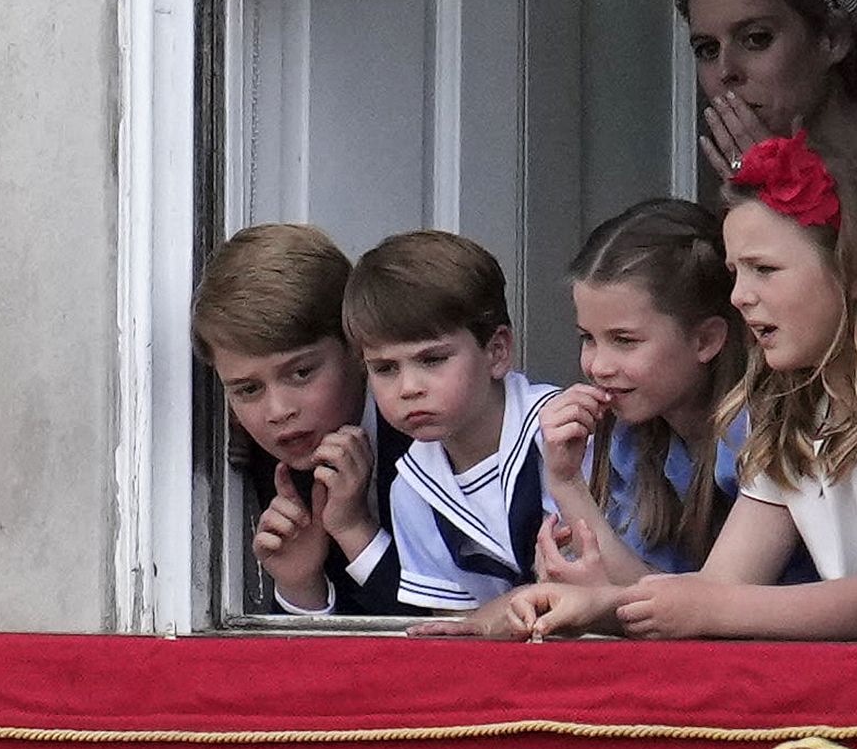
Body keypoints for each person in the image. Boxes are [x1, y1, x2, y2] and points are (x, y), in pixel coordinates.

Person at [510, 132, 857, 640]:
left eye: (764, 270)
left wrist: (620, 601)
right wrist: (591, 600)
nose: (741, 296)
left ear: (849, 269)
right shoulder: (793, 415)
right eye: (735, 273)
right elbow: (710, 594)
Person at [537, 197, 813, 583]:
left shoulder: (759, 427)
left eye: (625, 340)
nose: (598, 366)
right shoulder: (634, 438)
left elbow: (684, 608)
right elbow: (643, 588)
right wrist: (566, 482)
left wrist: (570, 492)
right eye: (588, 338)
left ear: (705, 340)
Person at [190, 223, 412, 616]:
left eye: (301, 373)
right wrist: (300, 586)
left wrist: (354, 529)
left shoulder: (430, 430)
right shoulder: (271, 461)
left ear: (358, 351)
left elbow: (452, 629)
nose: (278, 411)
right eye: (247, 390)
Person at [342, 230, 562, 613]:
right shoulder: (411, 489)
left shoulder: (561, 429)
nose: (409, 387)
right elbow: (456, 628)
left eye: (432, 360)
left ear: (496, 352)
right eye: (385, 368)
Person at [675, 0, 857, 298]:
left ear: (832, 38)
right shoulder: (727, 181)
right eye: (707, 49)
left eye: (756, 39)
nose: (726, 70)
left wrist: (784, 191)